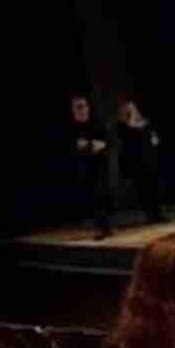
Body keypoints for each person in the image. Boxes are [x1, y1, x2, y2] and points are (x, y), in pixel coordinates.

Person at [117, 101, 169, 225]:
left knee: (155, 187)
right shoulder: (122, 125)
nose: (133, 110)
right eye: (129, 109)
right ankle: (149, 215)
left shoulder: (145, 122)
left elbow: (153, 137)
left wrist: (154, 139)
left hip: (150, 159)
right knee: (143, 189)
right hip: (136, 162)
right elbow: (125, 143)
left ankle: (158, 214)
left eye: (134, 108)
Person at [70, 95, 112, 240]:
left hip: (99, 166)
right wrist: (79, 147)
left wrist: (101, 144)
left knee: (100, 194)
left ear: (88, 107)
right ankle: (102, 227)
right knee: (93, 197)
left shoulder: (97, 123)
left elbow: (108, 141)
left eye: (83, 106)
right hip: (83, 168)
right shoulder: (72, 127)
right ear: (73, 110)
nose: (80, 109)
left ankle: (104, 228)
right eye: (77, 107)